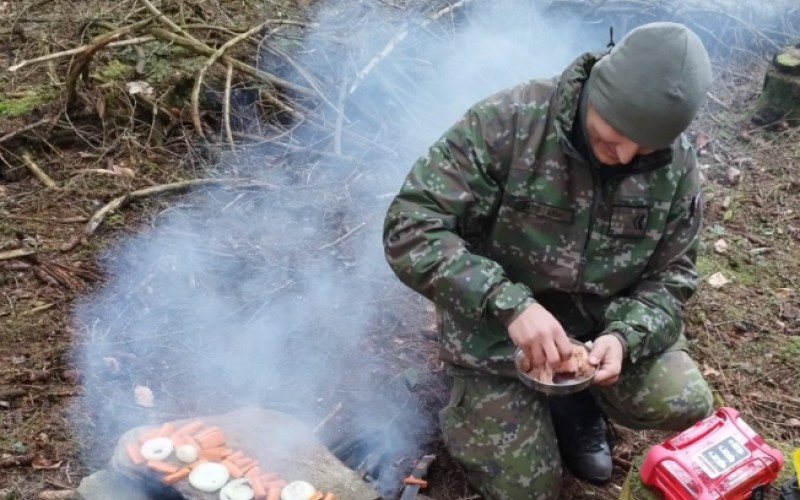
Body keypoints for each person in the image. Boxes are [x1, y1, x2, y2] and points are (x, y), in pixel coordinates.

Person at [383, 21, 715, 500]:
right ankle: (480, 403)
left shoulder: (675, 164)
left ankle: (577, 399)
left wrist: (625, 337)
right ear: (597, 90)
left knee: (684, 400)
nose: (623, 158)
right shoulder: (510, 122)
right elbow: (409, 226)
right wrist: (507, 304)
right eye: (616, 134)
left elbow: (673, 276)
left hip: (599, 329)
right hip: (494, 333)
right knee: (527, 491)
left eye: (644, 148)